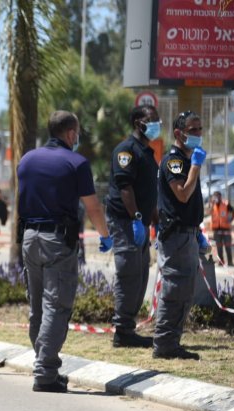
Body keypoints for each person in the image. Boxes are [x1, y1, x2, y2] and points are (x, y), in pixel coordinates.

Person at [18, 110, 113, 393]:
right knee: (56, 306)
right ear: (71, 133)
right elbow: (93, 206)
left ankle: (44, 363)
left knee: (37, 306)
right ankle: (45, 373)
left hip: (29, 238)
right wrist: (104, 235)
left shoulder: (27, 159)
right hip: (57, 241)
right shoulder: (76, 162)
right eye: (78, 133)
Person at [104, 105, 161, 348]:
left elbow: (149, 192)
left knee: (140, 274)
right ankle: (122, 331)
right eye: (152, 120)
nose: (156, 124)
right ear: (138, 122)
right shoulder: (126, 150)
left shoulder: (146, 152)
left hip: (140, 222)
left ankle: (128, 327)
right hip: (125, 221)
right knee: (129, 273)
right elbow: (125, 188)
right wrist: (137, 218)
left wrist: (156, 220)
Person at [154, 110, 207, 361]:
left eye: (200, 129)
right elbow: (183, 194)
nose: (199, 134)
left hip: (188, 234)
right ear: (179, 133)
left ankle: (171, 342)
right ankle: (164, 344)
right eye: (193, 130)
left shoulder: (184, 161)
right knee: (175, 288)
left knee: (185, 289)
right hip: (175, 236)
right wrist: (196, 166)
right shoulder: (174, 161)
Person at [209, 191, 234, 266]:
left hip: (226, 229)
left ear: (220, 197)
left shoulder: (226, 204)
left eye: (217, 196)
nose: (216, 198)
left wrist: (229, 220)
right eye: (215, 197)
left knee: (228, 246)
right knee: (219, 247)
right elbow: (209, 213)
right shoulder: (212, 206)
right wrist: (212, 204)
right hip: (216, 230)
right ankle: (221, 262)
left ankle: (230, 262)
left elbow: (233, 213)